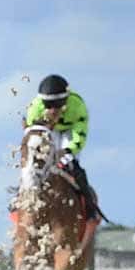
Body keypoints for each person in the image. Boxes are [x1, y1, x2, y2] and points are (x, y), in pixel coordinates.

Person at [26, 74, 94, 203]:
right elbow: (32, 136)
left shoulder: (77, 106)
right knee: (35, 163)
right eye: (48, 105)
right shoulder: (34, 109)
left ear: (66, 100)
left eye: (57, 104)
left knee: (70, 163)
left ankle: (88, 203)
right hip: (49, 130)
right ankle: (19, 199)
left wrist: (68, 151)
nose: (52, 110)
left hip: (70, 131)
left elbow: (79, 134)